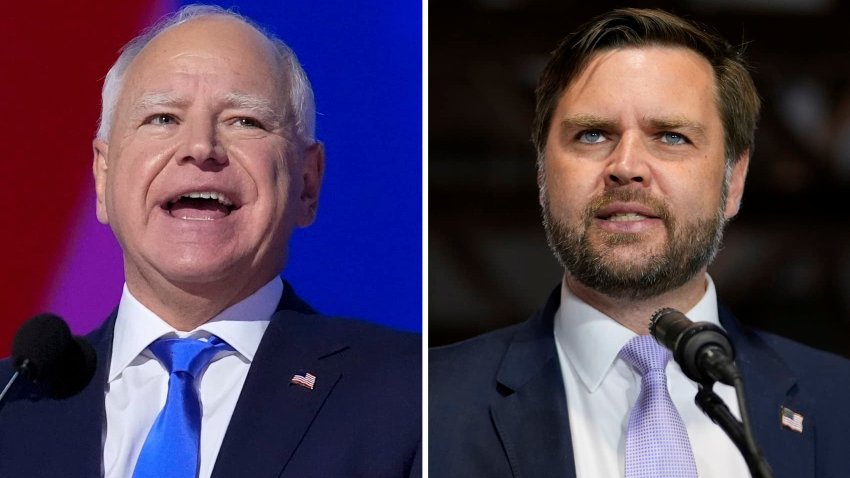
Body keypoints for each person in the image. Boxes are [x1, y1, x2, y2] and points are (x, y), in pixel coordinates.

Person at [0, 5, 420, 478]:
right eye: (162, 118)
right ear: (103, 176)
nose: (200, 147)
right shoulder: (11, 402)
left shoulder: (413, 394)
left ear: (307, 183)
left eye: (245, 121)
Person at [430, 8, 850, 478]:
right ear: (542, 172)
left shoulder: (839, 404)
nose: (626, 165)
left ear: (734, 181)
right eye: (592, 134)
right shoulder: (426, 405)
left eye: (671, 137)